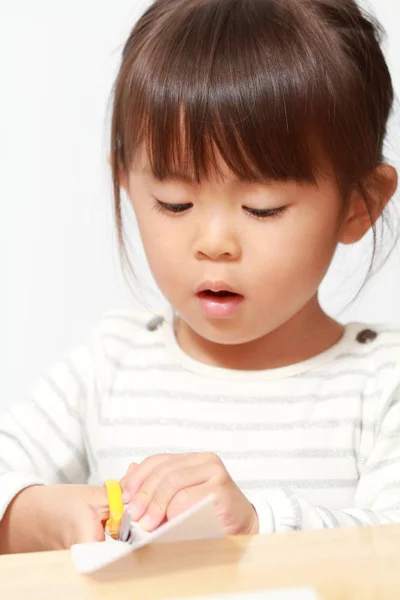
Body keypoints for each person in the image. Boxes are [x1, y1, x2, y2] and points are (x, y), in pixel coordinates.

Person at [1, 0, 400, 554]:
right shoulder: (110, 364)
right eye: (174, 202)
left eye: (262, 208)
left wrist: (261, 526)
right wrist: (45, 515)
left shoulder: (382, 384)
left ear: (360, 204)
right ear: (125, 181)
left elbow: (391, 548)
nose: (214, 243)